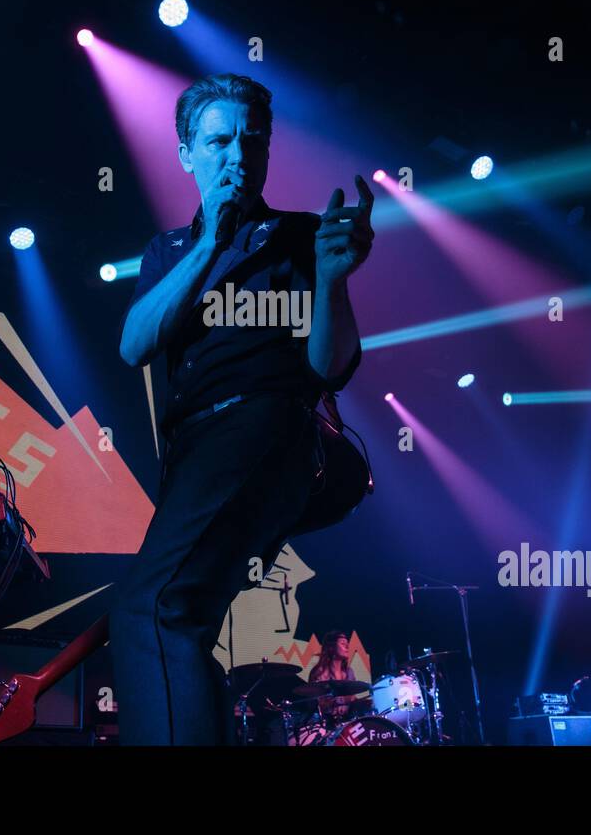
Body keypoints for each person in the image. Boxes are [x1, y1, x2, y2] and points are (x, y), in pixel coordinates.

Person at [111, 73, 374, 745]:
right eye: (219, 141)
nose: (237, 155)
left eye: (251, 142)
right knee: (181, 617)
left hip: (264, 427)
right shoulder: (169, 251)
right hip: (194, 454)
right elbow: (134, 344)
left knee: (154, 608)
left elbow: (331, 365)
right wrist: (209, 246)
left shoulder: (302, 237)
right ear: (186, 153)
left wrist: (334, 283)